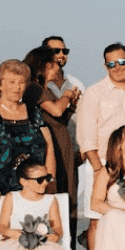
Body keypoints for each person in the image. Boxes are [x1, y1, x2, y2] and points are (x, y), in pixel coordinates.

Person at [76, 42, 125, 250]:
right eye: (111, 64)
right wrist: (98, 170)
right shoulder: (94, 92)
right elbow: (86, 137)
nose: (117, 68)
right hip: (103, 163)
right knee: (98, 221)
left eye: (121, 62)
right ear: (105, 66)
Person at [0, 60, 55, 201]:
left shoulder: (34, 112)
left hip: (33, 190)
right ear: (0, 85)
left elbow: (49, 147)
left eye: (21, 82)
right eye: (12, 82)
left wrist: (50, 181)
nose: (17, 87)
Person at [22, 46, 78, 213]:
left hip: (61, 147)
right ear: (44, 65)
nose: (58, 68)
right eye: (54, 64)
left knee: (66, 193)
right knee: (54, 192)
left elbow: (59, 120)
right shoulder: (34, 88)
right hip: (50, 149)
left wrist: (71, 107)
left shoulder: (46, 90)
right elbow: (56, 110)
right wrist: (67, 95)